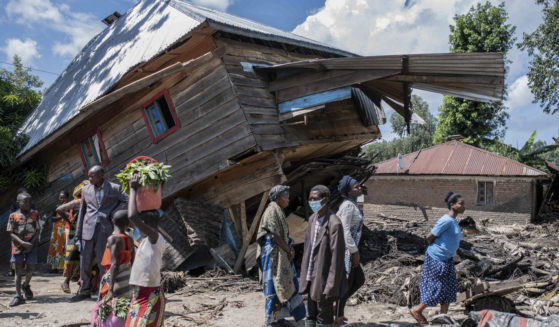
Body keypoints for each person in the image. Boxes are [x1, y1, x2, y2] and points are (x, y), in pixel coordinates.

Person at [72, 165, 128, 301]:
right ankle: (84, 291)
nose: (89, 178)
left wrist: (114, 213)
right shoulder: (85, 190)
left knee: (104, 262)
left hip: (105, 229)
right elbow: (82, 211)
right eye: (89, 175)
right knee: (84, 262)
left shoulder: (114, 188)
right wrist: (78, 233)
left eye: (92, 176)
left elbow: (126, 201)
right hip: (88, 229)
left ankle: (104, 292)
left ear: (101, 174)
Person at [410, 192, 465, 325]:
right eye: (461, 204)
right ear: (452, 205)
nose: (463, 207)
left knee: (449, 287)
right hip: (437, 258)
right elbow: (430, 237)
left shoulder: (453, 221)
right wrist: (438, 250)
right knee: (437, 287)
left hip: (446, 259)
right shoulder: (445, 220)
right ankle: (417, 311)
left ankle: (443, 316)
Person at [257, 185, 306, 327]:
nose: (288, 199)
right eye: (286, 197)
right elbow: (274, 235)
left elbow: (283, 236)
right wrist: (288, 250)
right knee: (273, 285)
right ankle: (271, 321)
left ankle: (279, 317)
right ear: (278, 198)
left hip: (281, 253)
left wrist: (289, 248)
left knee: (284, 284)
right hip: (273, 256)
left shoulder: (278, 210)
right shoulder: (272, 210)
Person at [299, 185, 347, 327]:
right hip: (310, 276)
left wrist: (331, 286)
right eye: (310, 199)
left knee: (323, 316)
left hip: (324, 279)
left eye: (315, 199)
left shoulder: (334, 223)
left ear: (325, 200)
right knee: (311, 313)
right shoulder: (313, 219)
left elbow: (337, 259)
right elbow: (307, 249)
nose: (311, 202)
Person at [125, 174, 166, 327]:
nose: (138, 227)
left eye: (141, 224)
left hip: (149, 291)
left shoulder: (155, 238)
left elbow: (132, 216)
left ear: (148, 224)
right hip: (142, 289)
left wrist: (133, 189)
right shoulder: (146, 241)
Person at [334, 176, 366, 327]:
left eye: (359, 186)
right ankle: (338, 320)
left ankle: (337, 308)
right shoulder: (347, 205)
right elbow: (345, 230)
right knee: (345, 284)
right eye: (356, 187)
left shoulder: (353, 204)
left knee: (358, 279)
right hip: (346, 250)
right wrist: (354, 251)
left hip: (350, 249)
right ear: (348, 190)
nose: (359, 188)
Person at [7, 192, 40, 307]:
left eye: (29, 201)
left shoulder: (35, 214)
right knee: (18, 271)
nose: (28, 204)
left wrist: (31, 243)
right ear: (18, 203)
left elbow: (37, 230)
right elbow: (10, 232)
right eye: (25, 201)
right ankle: (18, 295)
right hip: (17, 246)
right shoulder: (13, 216)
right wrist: (22, 242)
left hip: (31, 245)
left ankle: (26, 285)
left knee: (31, 269)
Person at [57, 181, 89, 293]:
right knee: (72, 257)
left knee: (85, 258)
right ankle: (66, 281)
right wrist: (70, 222)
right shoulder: (78, 202)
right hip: (75, 233)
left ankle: (83, 284)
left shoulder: (93, 201)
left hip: (88, 232)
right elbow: (59, 209)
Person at [98, 209, 134, 300]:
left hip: (114, 277)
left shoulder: (113, 239)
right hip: (126, 276)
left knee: (110, 304)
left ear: (112, 221)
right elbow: (133, 260)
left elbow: (114, 264)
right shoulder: (129, 239)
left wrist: (110, 289)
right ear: (128, 223)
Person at [47, 190, 70, 272]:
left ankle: (64, 268)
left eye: (63, 198)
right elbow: (52, 218)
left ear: (67, 198)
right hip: (57, 231)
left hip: (66, 230)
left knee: (65, 247)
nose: (62, 199)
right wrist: (61, 216)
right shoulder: (57, 207)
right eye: (60, 198)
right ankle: (55, 267)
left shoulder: (70, 207)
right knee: (56, 247)